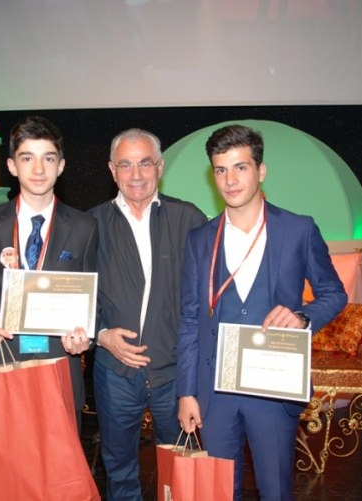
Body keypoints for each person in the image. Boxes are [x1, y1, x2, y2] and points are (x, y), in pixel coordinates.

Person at [177, 124, 347, 500]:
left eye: (240, 167)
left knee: (276, 491)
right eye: (221, 170)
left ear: (261, 170)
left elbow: (335, 293)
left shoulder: (298, 229)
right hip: (214, 392)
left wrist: (303, 317)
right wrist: (186, 392)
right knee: (219, 492)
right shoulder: (200, 239)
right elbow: (189, 318)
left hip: (273, 386)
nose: (230, 180)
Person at [0, 116, 98, 429]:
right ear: (12, 166)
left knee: (58, 460)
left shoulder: (85, 227)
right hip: (0, 359)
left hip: (59, 363)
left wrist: (86, 336)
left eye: (48, 158)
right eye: (27, 158)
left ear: (61, 166)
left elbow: (95, 297)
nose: (38, 169)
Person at [88, 128, 207, 500]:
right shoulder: (89, 225)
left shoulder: (189, 219)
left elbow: (207, 297)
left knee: (182, 467)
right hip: (115, 372)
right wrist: (100, 334)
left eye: (144, 163)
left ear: (160, 166)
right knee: (119, 468)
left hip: (175, 372)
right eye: (125, 165)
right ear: (112, 170)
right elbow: (76, 297)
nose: (136, 174)